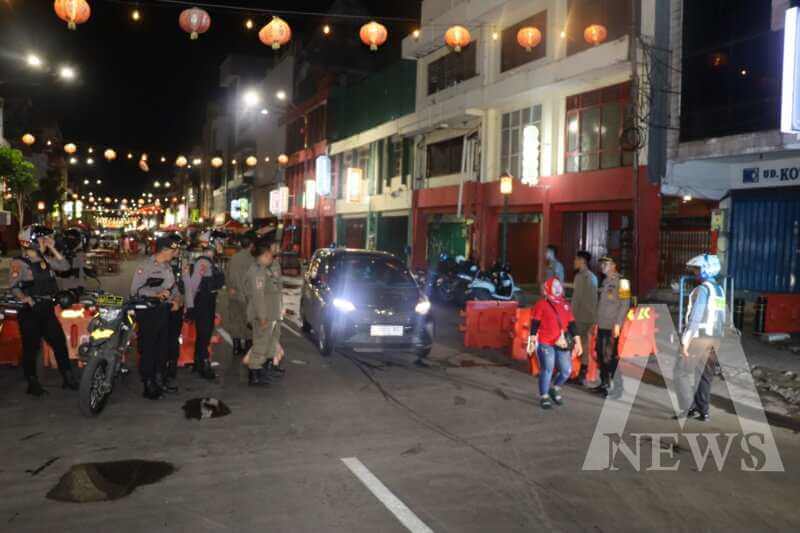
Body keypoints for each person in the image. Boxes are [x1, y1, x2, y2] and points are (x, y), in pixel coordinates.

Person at [9, 225, 79, 396]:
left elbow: (64, 266)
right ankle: (32, 383)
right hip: (30, 312)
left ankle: (67, 378)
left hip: (47, 309)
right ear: (31, 242)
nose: (45, 242)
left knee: (59, 343)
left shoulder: (45, 260)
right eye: (42, 239)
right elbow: (14, 286)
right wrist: (25, 298)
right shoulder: (20, 263)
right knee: (31, 348)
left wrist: (53, 247)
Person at [677, 254, 725, 422]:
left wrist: (685, 341)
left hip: (699, 339)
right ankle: (703, 411)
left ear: (705, 270)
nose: (695, 273)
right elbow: (722, 317)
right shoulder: (719, 290)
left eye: (697, 269)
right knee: (704, 375)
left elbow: (695, 318)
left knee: (681, 372)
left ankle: (688, 408)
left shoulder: (702, 290)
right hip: (715, 339)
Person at [130, 236, 178, 399]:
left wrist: (175, 300)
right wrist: (156, 295)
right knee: (149, 348)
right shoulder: (145, 267)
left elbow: (171, 288)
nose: (175, 253)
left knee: (162, 347)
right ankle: (148, 383)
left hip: (163, 311)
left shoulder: (167, 266)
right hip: (148, 312)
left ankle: (160, 380)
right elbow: (135, 291)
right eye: (173, 250)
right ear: (164, 250)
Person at [528, 277, 582, 409]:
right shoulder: (541, 304)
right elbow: (535, 323)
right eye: (554, 286)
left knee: (566, 371)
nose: (558, 288)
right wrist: (531, 341)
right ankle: (544, 396)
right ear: (548, 288)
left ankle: (555, 387)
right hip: (546, 342)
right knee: (548, 369)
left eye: (559, 285)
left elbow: (572, 324)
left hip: (562, 343)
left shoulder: (565, 304)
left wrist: (578, 342)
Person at [185, 230, 226, 380]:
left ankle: (198, 363)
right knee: (204, 335)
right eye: (220, 242)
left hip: (208, 301)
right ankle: (203, 364)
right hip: (202, 302)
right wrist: (190, 308)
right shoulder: (203, 262)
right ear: (213, 244)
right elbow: (192, 286)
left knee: (205, 333)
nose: (223, 245)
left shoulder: (211, 261)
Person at [243, 235, 284, 386]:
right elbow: (258, 297)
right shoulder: (257, 272)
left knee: (269, 343)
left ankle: (261, 371)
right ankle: (254, 374)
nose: (270, 257)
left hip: (272, 313)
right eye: (268, 255)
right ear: (263, 255)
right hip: (264, 314)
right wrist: (262, 316)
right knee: (260, 344)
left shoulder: (265, 270)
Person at [592, 256, 630, 399]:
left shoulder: (624, 282)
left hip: (612, 326)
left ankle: (618, 388)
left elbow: (625, 304)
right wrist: (596, 322)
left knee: (611, 358)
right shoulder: (605, 281)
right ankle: (604, 384)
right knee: (600, 355)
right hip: (602, 324)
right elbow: (601, 305)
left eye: (605, 263)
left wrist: (618, 324)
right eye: (602, 263)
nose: (602, 266)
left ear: (613, 265)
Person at [160, 233, 186, 393]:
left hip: (177, 305)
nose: (176, 250)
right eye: (174, 247)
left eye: (178, 247)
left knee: (173, 340)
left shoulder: (183, 262)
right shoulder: (160, 262)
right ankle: (161, 372)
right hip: (162, 307)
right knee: (162, 340)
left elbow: (185, 285)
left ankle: (170, 371)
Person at [226, 232, 256, 357]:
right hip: (248, 296)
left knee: (235, 321)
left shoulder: (233, 258)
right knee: (249, 322)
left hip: (234, 294)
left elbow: (227, 275)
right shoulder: (253, 260)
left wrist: (230, 287)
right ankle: (248, 348)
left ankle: (236, 347)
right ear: (251, 245)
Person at [571, 251, 598, 384]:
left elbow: (577, 299)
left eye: (576, 259)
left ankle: (565, 370)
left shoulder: (580, 277)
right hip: (590, 317)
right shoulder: (593, 277)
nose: (574, 262)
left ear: (582, 261)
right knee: (585, 345)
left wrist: (569, 316)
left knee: (570, 342)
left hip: (580, 316)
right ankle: (582, 374)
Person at [56, 228, 90, 294]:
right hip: (73, 285)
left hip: (73, 286)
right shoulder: (68, 252)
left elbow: (71, 271)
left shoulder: (76, 253)